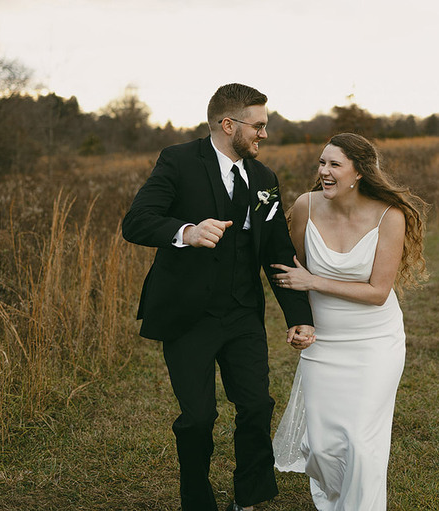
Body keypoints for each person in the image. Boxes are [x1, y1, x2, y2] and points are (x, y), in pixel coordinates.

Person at [122, 83, 315, 511]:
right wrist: (186, 233)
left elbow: (277, 252)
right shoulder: (178, 160)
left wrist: (298, 316)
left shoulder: (264, 179)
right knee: (198, 419)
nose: (264, 134)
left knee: (256, 405)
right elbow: (136, 222)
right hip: (188, 316)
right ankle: (197, 500)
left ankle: (248, 498)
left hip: (243, 314)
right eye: (259, 125)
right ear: (229, 125)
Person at [270, 133, 428, 510]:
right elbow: (290, 270)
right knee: (323, 447)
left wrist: (314, 282)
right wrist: (298, 322)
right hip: (323, 341)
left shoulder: (389, 217)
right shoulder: (305, 207)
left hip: (374, 342)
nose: (324, 171)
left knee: (360, 442)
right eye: (322, 163)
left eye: (334, 164)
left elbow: (377, 292)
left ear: (359, 172)